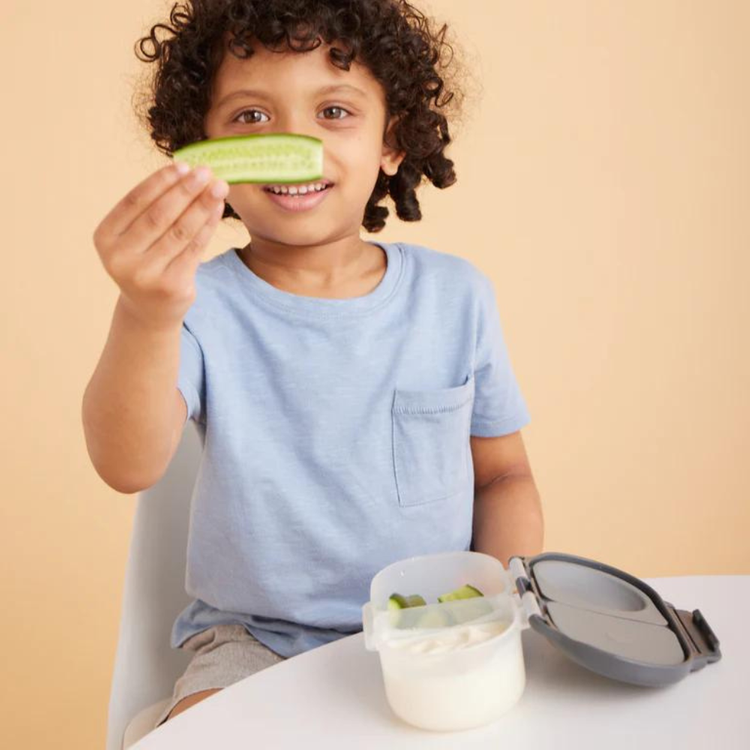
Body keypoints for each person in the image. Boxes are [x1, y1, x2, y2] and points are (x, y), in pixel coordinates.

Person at [82, 0, 543, 731]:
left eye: (333, 111)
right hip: (257, 640)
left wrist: (497, 607)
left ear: (393, 140)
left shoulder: (456, 297)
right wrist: (145, 311)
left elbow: (503, 475)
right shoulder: (197, 305)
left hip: (432, 630)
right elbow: (126, 464)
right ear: (199, 146)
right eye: (251, 118)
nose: (295, 139)